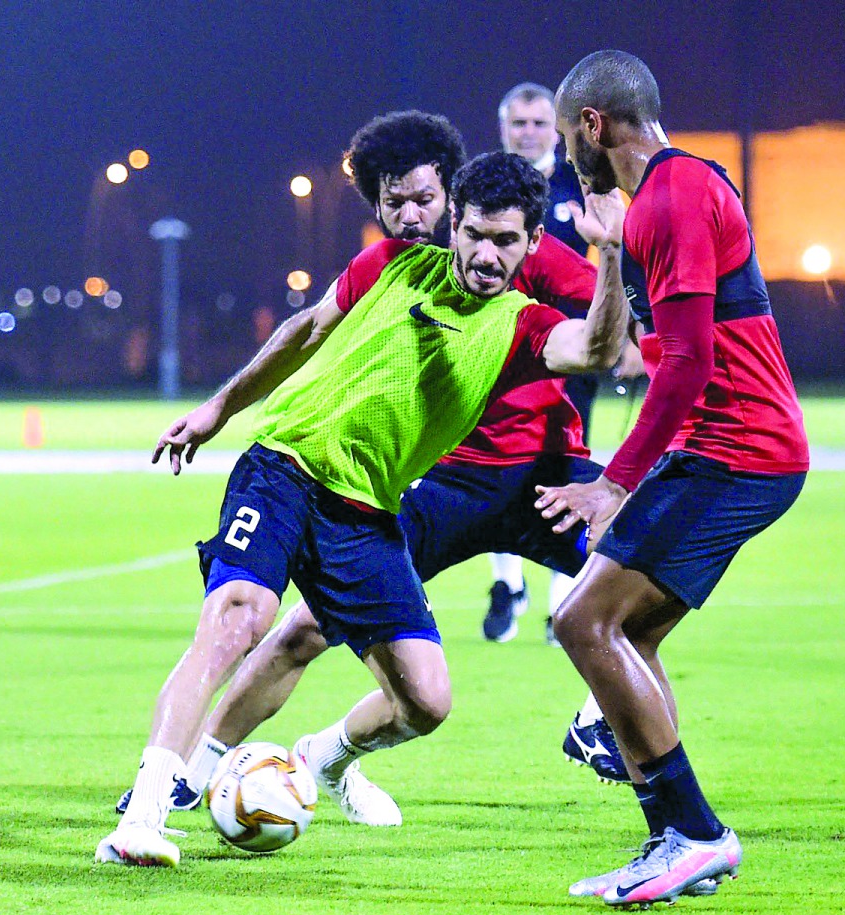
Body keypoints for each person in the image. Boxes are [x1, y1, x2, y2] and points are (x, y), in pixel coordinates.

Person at [94, 148, 629, 867]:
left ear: (531, 245)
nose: (487, 253)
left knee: (427, 701)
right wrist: (219, 408)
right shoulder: (394, 266)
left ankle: (325, 756)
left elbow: (598, 347)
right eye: (474, 233)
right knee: (240, 619)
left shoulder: (521, 327)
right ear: (455, 227)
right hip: (284, 466)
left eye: (506, 241)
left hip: (364, 513)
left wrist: (615, 251)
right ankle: (149, 811)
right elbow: (305, 331)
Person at [538, 50, 810, 907]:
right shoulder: (672, 191)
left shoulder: (674, 194)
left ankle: (692, 833)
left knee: (583, 620)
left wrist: (614, 480)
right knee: (626, 634)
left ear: (592, 126)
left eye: (563, 135)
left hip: (736, 451)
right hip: (729, 447)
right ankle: (674, 833)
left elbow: (693, 363)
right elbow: (694, 340)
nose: (563, 155)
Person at [484, 82, 600, 646]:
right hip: (498, 354)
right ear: (502, 127)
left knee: (565, 471)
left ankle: (560, 601)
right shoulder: (485, 185)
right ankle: (507, 586)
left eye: (537, 123)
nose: (528, 132)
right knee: (496, 465)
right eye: (517, 124)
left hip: (570, 350)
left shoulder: (580, 181)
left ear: (552, 127)